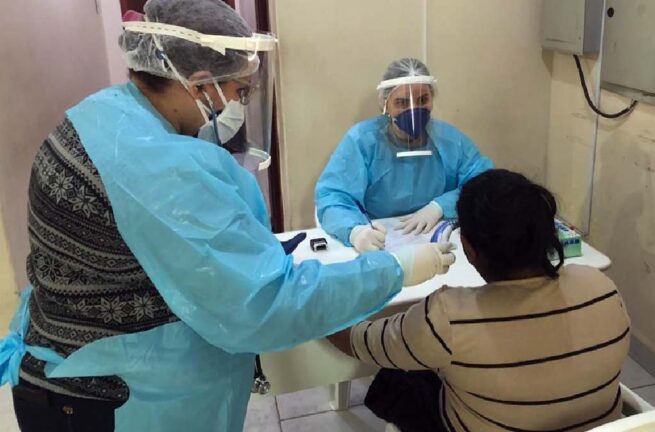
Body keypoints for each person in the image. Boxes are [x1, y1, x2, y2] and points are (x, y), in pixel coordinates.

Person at [0, 1, 455, 431]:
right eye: (239, 91)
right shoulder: (162, 168)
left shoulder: (103, 112)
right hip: (104, 400)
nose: (238, 105)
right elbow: (266, 304)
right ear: (198, 83)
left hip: (62, 366)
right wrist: (397, 268)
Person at [328, 169, 631, 432]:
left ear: (469, 249)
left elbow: (359, 342)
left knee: (397, 379)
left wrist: (313, 305)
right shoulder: (600, 286)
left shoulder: (449, 318)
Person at [315, 58, 492, 253]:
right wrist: (356, 232)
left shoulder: (449, 141)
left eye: (422, 100)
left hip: (438, 237)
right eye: (401, 102)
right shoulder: (362, 141)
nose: (413, 110)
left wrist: (440, 206)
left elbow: (484, 183)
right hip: (380, 239)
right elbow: (332, 196)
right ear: (385, 104)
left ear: (432, 100)